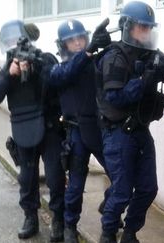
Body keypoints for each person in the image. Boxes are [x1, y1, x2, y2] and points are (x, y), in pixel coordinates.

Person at [94, 1, 164, 242]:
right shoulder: (115, 56)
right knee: (121, 191)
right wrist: (143, 81)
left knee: (148, 188)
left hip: (140, 129)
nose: (146, 32)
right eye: (141, 27)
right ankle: (108, 232)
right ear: (128, 27)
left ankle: (130, 232)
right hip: (118, 132)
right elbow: (115, 97)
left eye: (149, 28)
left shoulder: (152, 54)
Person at [0, 20, 66, 242]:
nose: (16, 45)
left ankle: (58, 219)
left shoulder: (46, 58)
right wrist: (9, 74)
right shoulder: (8, 65)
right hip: (24, 130)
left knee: (55, 176)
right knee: (27, 178)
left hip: (50, 128)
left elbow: (58, 82)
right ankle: (30, 217)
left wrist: (37, 67)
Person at [48, 19, 112, 243]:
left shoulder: (93, 60)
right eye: (72, 40)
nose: (77, 43)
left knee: (120, 176)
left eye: (81, 38)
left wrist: (108, 45)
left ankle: (110, 207)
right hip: (76, 132)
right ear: (63, 44)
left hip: (100, 129)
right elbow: (65, 74)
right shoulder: (59, 67)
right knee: (75, 185)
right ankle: (69, 226)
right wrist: (89, 51)